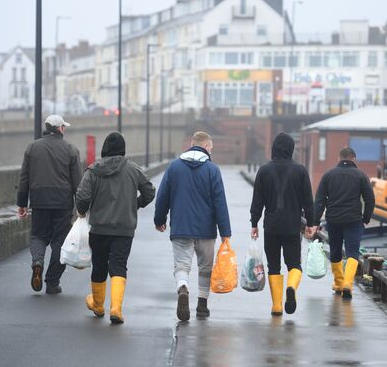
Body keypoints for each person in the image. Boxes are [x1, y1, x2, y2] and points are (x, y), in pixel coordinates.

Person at [75, 132, 155, 324]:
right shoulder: (133, 169)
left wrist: (82, 211)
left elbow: (82, 196)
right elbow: (150, 192)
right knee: (119, 265)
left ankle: (98, 305)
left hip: (99, 229)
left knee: (99, 265)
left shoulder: (93, 170)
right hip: (124, 229)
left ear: (105, 148)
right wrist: (134, 204)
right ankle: (116, 309)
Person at [154, 131, 231, 321]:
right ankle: (202, 305)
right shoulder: (213, 170)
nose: (211, 151)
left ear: (191, 144)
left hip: (181, 226)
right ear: (205, 146)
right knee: (205, 268)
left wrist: (160, 219)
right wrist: (225, 232)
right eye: (211, 147)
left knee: (182, 265)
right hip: (206, 229)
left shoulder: (174, 167)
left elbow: (163, 195)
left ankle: (183, 287)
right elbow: (220, 202)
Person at [250, 132, 315, 316]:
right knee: (294, 264)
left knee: (274, 266)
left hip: (271, 226)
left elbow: (257, 201)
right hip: (292, 227)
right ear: (291, 149)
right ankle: (291, 287)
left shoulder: (263, 170)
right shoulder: (301, 171)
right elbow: (308, 201)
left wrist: (254, 222)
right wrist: (310, 223)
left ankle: (277, 306)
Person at [17, 114, 82, 294]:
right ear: (60, 128)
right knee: (60, 243)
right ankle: (52, 282)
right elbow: (78, 182)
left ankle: (37, 261)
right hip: (63, 202)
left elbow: (24, 178)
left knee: (38, 236)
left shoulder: (32, 148)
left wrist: (22, 203)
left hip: (39, 201)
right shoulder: (71, 149)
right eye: (64, 127)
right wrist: (82, 207)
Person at [312, 147, 375, 300]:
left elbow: (320, 201)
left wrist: (315, 221)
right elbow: (370, 199)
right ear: (354, 159)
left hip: (333, 220)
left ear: (339, 159)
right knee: (352, 252)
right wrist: (366, 218)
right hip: (354, 220)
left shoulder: (328, 175)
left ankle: (339, 284)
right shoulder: (361, 175)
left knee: (335, 251)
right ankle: (348, 284)